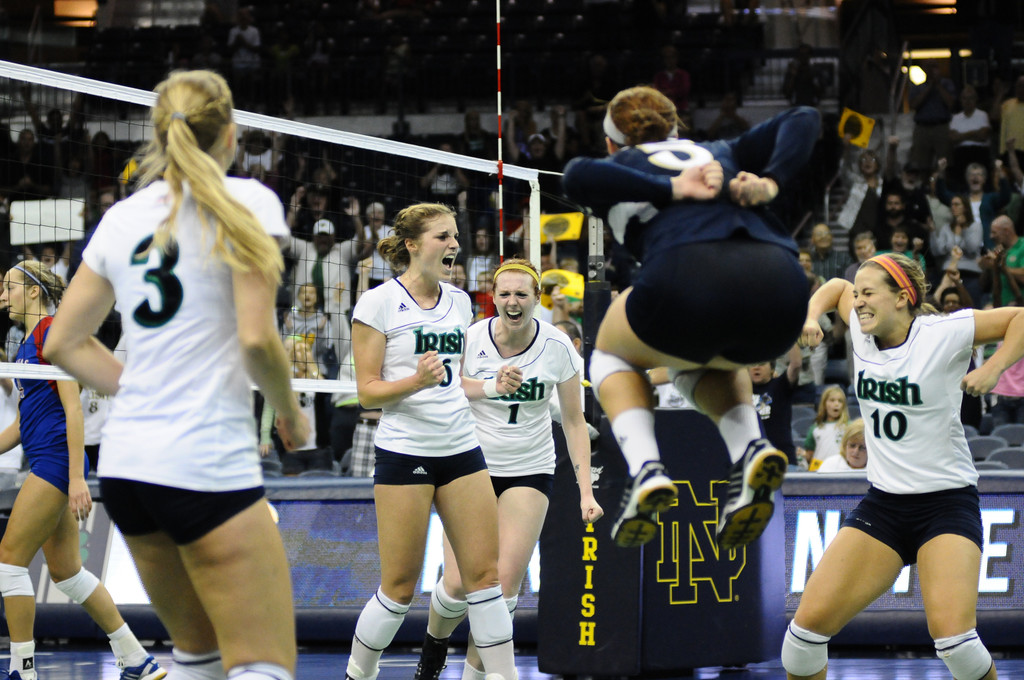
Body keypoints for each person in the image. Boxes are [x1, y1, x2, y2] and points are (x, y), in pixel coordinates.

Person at [43, 70, 310, 680]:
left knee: (200, 659)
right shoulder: (251, 201)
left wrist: (139, 389)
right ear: (231, 135)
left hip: (130, 469)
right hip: (204, 461)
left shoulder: (121, 218)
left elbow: (62, 341)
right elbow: (255, 335)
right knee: (264, 664)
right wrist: (290, 412)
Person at [561, 85, 820, 549]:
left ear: (612, 141)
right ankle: (751, 449)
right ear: (678, 129)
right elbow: (804, 115)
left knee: (609, 356)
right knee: (699, 358)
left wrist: (669, 189)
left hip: (689, 276)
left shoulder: (619, 163)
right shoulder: (722, 150)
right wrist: (772, 180)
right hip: (782, 289)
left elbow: (575, 175)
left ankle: (646, 469)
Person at [786, 252, 1020, 680]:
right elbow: (836, 287)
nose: (857, 301)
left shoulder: (944, 331)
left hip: (945, 505)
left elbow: (1019, 317)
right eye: (858, 294)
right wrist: (810, 314)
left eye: (868, 293)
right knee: (801, 639)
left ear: (903, 297)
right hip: (884, 506)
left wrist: (993, 367)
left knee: (957, 645)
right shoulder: (860, 322)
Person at [345, 203, 522, 680]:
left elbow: (454, 382)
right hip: (405, 452)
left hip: (462, 449)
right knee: (399, 590)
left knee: (487, 581)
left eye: (455, 236)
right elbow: (367, 391)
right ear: (413, 245)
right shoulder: (378, 303)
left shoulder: (461, 301)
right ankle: (358, 674)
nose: (454, 244)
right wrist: (415, 383)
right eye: (443, 236)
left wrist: (489, 386)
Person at [414, 258, 603, 680]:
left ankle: (475, 675)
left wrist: (586, 491)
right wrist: (492, 386)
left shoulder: (558, 347)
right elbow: (449, 385)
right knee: (460, 584)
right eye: (505, 294)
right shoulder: (472, 336)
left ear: (537, 299)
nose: (513, 302)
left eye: (522, 294)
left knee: (501, 586)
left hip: (529, 468)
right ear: (494, 298)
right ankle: (434, 646)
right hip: (470, 464)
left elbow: (573, 421)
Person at [0, 261, 165, 680]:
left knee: (9, 561)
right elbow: (21, 424)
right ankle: (136, 658)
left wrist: (76, 478)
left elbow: (74, 409)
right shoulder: (25, 345)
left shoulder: (55, 333)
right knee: (67, 573)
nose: (3, 297)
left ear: (34, 291)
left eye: (9, 287)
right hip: (45, 458)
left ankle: (23, 669)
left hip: (57, 462)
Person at [799, 385, 849, 469]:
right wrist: (803, 454)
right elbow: (810, 455)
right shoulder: (815, 428)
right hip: (819, 470)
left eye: (840, 401)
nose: (836, 404)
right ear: (824, 404)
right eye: (832, 400)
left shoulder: (849, 427)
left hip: (841, 470)